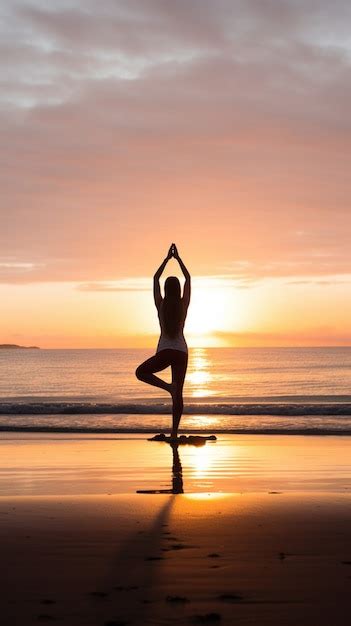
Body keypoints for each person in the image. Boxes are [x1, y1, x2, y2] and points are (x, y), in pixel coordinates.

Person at [135, 243, 190, 440]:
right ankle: (174, 433)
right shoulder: (184, 305)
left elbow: (155, 278)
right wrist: (179, 259)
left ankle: (168, 388)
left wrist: (167, 260)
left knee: (140, 372)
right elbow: (188, 279)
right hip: (182, 352)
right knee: (179, 394)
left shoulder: (161, 305)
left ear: (167, 289)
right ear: (178, 290)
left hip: (165, 350)